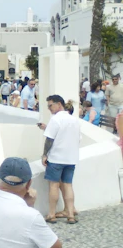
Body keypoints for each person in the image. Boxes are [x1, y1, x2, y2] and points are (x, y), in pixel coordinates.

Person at [40, 95, 80, 223]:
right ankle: (70, 214)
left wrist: (44, 154)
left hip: (56, 157)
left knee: (54, 185)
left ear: (59, 104)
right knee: (68, 185)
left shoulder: (55, 119)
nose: (49, 108)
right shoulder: (74, 120)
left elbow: (49, 139)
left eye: (50, 105)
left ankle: (51, 214)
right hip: (71, 158)